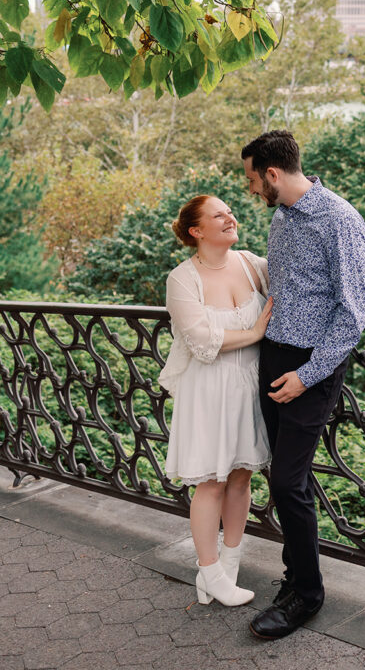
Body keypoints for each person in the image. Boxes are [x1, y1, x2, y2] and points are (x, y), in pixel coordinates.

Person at [241, 130, 365, 639]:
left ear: (272, 173)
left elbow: (353, 311)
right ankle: (294, 575)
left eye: (252, 178)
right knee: (284, 476)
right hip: (273, 355)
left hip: (310, 367)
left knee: (287, 483)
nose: (250, 188)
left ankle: (309, 596)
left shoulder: (340, 220)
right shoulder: (280, 217)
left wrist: (308, 375)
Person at [158, 194, 273, 608]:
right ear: (196, 231)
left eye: (230, 211)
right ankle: (207, 569)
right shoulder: (182, 279)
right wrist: (257, 334)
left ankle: (230, 564)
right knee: (212, 482)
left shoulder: (253, 264)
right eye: (218, 215)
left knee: (242, 475)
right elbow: (203, 341)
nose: (230, 218)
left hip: (249, 386)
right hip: (207, 388)